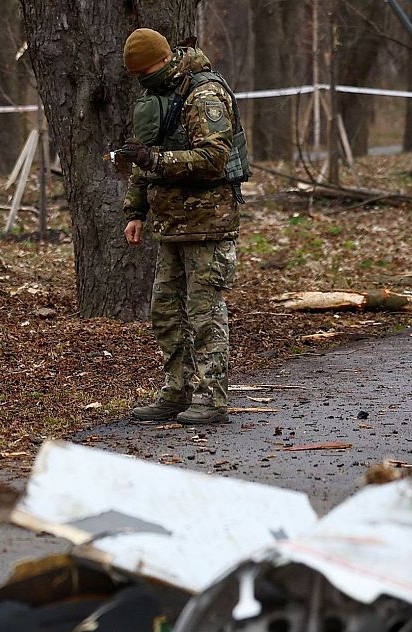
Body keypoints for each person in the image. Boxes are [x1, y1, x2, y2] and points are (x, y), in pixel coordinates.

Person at [114, 28, 246, 426]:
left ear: (165, 60)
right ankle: (177, 391)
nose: (144, 79)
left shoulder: (204, 94)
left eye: (148, 70)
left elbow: (213, 158)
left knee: (204, 313)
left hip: (208, 223)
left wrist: (156, 160)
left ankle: (211, 398)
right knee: (166, 313)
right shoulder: (157, 96)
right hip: (169, 223)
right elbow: (143, 157)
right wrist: (135, 210)